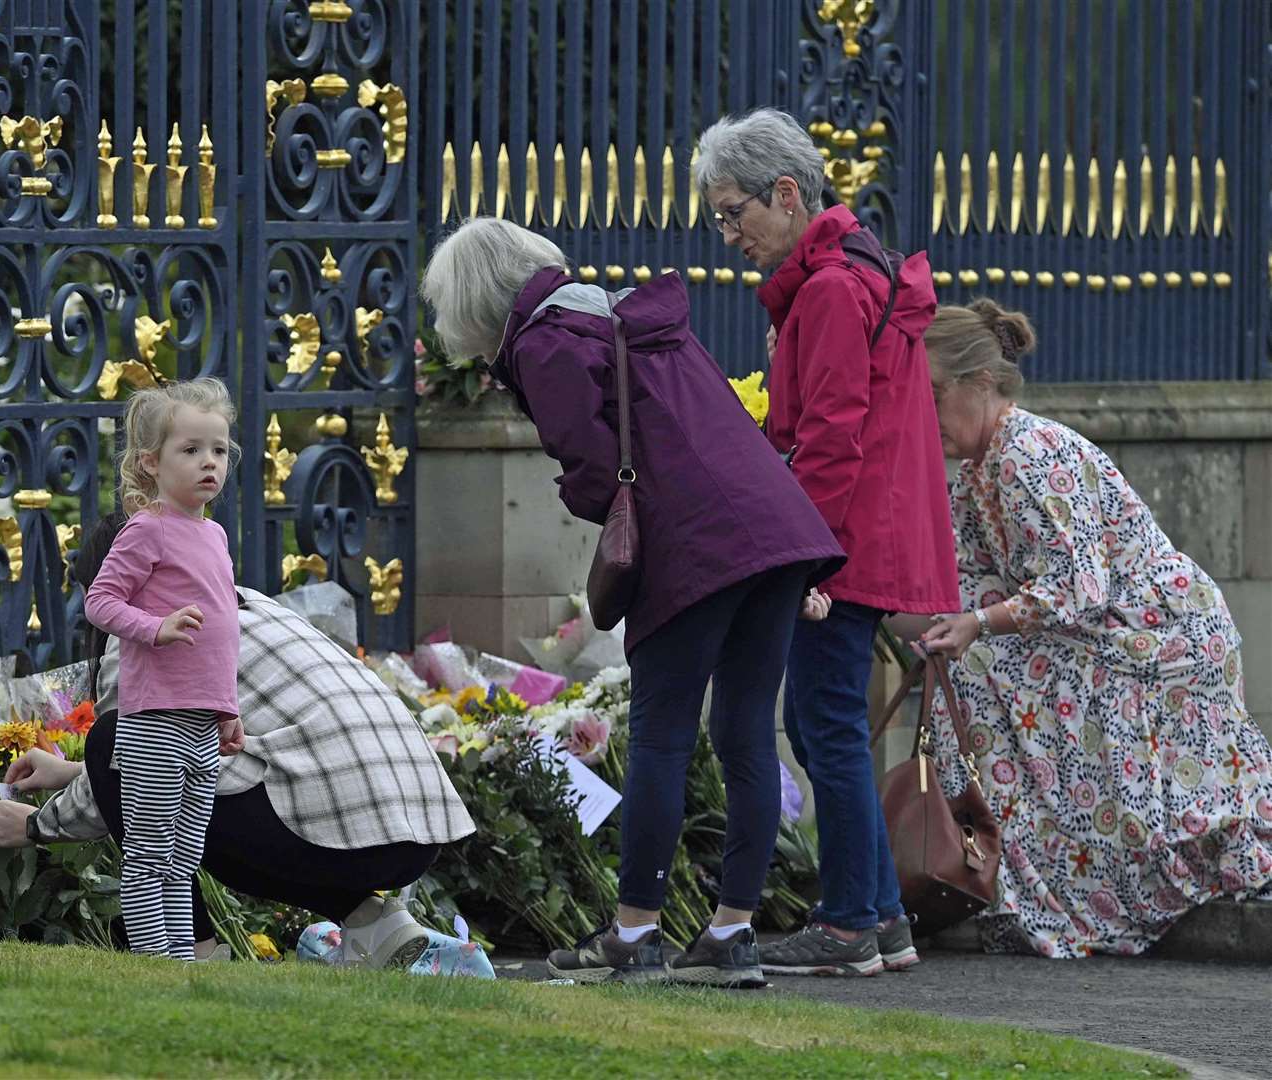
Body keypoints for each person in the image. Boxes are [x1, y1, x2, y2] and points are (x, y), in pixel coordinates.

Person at [421, 216, 845, 987]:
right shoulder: (622, 314)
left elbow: (589, 466)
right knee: (747, 732)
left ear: (476, 301)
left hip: (696, 544)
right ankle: (730, 934)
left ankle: (634, 932)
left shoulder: (547, 345)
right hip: (778, 529)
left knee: (660, 738)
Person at [911, 299, 1272, 958]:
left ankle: (1059, 891)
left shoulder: (1032, 454)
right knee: (971, 672)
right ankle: (1029, 884)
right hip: (1106, 636)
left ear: (982, 382)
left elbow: (1079, 589)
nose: (926, 415)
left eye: (933, 394)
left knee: (990, 674)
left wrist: (976, 624)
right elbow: (963, 582)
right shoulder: (976, 471)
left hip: (1159, 639)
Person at [695, 107, 960, 976]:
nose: (728, 233)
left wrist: (808, 560)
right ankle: (881, 920)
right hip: (866, 537)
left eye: (735, 212)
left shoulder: (832, 289)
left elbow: (833, 437)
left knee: (827, 728)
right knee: (824, 728)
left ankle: (849, 925)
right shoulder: (850, 275)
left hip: (843, 544)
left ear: (785, 192)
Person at [0, 510, 475, 968]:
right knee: (186, 786)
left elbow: (132, 763)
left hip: (344, 832)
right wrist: (72, 773)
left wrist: (37, 824)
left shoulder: (150, 641)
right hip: (419, 828)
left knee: (113, 745)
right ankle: (375, 922)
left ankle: (191, 952)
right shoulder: (254, 605)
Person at [81, 379, 243, 960]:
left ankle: (179, 960)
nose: (209, 463)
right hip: (155, 722)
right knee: (151, 856)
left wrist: (227, 709)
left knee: (185, 857)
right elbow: (99, 601)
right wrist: (157, 627)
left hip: (202, 724)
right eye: (191, 450)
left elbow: (223, 635)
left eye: (219, 451)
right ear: (151, 463)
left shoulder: (215, 535)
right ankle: (157, 960)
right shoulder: (148, 528)